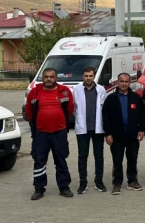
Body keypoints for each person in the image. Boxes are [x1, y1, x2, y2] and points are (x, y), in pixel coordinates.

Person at [26, 68, 75, 200]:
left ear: (56, 78)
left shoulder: (64, 91)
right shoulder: (35, 92)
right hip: (41, 133)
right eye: (46, 77)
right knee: (39, 161)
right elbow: (29, 111)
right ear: (43, 78)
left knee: (61, 159)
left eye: (51, 77)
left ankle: (64, 187)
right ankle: (39, 188)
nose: (49, 79)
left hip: (59, 132)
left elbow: (70, 109)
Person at [102, 73, 145, 194]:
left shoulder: (136, 98)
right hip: (116, 136)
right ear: (117, 82)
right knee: (117, 160)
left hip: (132, 135)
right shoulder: (110, 99)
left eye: (126, 81)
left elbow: (142, 115)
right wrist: (108, 134)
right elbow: (106, 118)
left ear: (129, 83)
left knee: (132, 159)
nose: (124, 84)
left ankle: (132, 181)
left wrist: (141, 129)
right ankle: (117, 183)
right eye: (122, 81)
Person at [72, 66, 107, 194]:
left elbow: (104, 107)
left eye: (91, 76)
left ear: (94, 76)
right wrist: (80, 119)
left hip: (98, 128)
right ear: (83, 76)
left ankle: (99, 181)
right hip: (83, 128)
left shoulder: (101, 89)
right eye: (86, 76)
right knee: (82, 156)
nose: (88, 78)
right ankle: (83, 183)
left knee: (99, 156)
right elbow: (74, 108)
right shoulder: (76, 89)